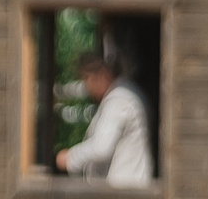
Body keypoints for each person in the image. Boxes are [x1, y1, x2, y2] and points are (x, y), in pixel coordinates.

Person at [55, 50, 153, 184]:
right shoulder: (126, 93)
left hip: (124, 193)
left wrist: (70, 157)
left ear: (103, 74)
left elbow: (101, 148)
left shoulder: (119, 100)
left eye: (87, 79)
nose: (87, 87)